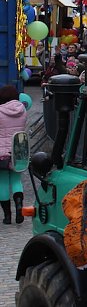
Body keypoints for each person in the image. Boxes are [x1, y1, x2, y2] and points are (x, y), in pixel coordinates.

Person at [0, 85, 26, 223]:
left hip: (2, 154)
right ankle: (19, 207)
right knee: (16, 180)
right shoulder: (23, 111)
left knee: (3, 182)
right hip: (19, 152)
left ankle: (7, 216)